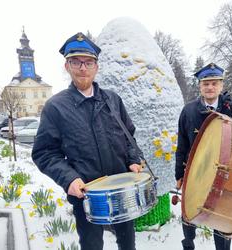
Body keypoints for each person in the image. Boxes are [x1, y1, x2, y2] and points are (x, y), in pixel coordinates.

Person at [32, 32, 143, 250]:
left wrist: (133, 158)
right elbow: (44, 153)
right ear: (67, 66)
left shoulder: (112, 99)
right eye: (76, 62)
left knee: (128, 244)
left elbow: (129, 135)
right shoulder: (56, 107)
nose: (83, 68)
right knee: (92, 246)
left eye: (89, 62)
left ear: (96, 66)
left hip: (122, 189)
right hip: (86, 196)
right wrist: (69, 179)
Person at [175, 63, 232, 250]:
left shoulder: (230, 109)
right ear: (200, 86)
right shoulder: (189, 111)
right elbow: (182, 144)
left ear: (221, 86)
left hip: (224, 173)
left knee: (221, 218)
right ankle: (189, 244)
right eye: (206, 83)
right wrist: (179, 175)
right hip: (195, 171)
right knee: (189, 214)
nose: (210, 87)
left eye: (214, 83)